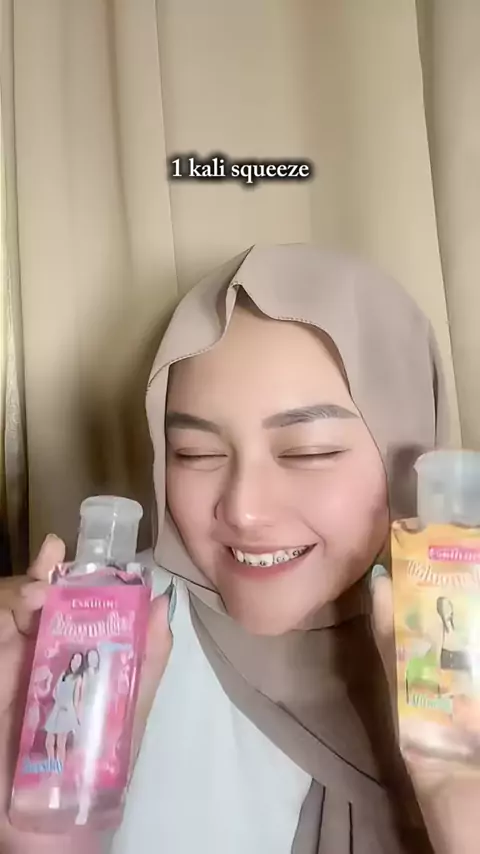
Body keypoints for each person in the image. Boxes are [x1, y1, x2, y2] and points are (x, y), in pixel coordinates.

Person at [0, 244, 478, 854]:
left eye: (308, 451)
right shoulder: (94, 647)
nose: (244, 510)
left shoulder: (460, 648)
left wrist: (462, 812)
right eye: (195, 454)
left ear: (412, 455)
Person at [44, 652, 84, 768]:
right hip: (57, 709)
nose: (75, 662)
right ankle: (51, 764)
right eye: (74, 659)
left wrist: (76, 717)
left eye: (78, 661)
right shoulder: (63, 674)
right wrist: (58, 699)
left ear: (80, 664)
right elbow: (55, 691)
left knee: (61, 743)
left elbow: (76, 699)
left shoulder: (78, 678)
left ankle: (58, 768)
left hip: (67, 711)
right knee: (49, 742)